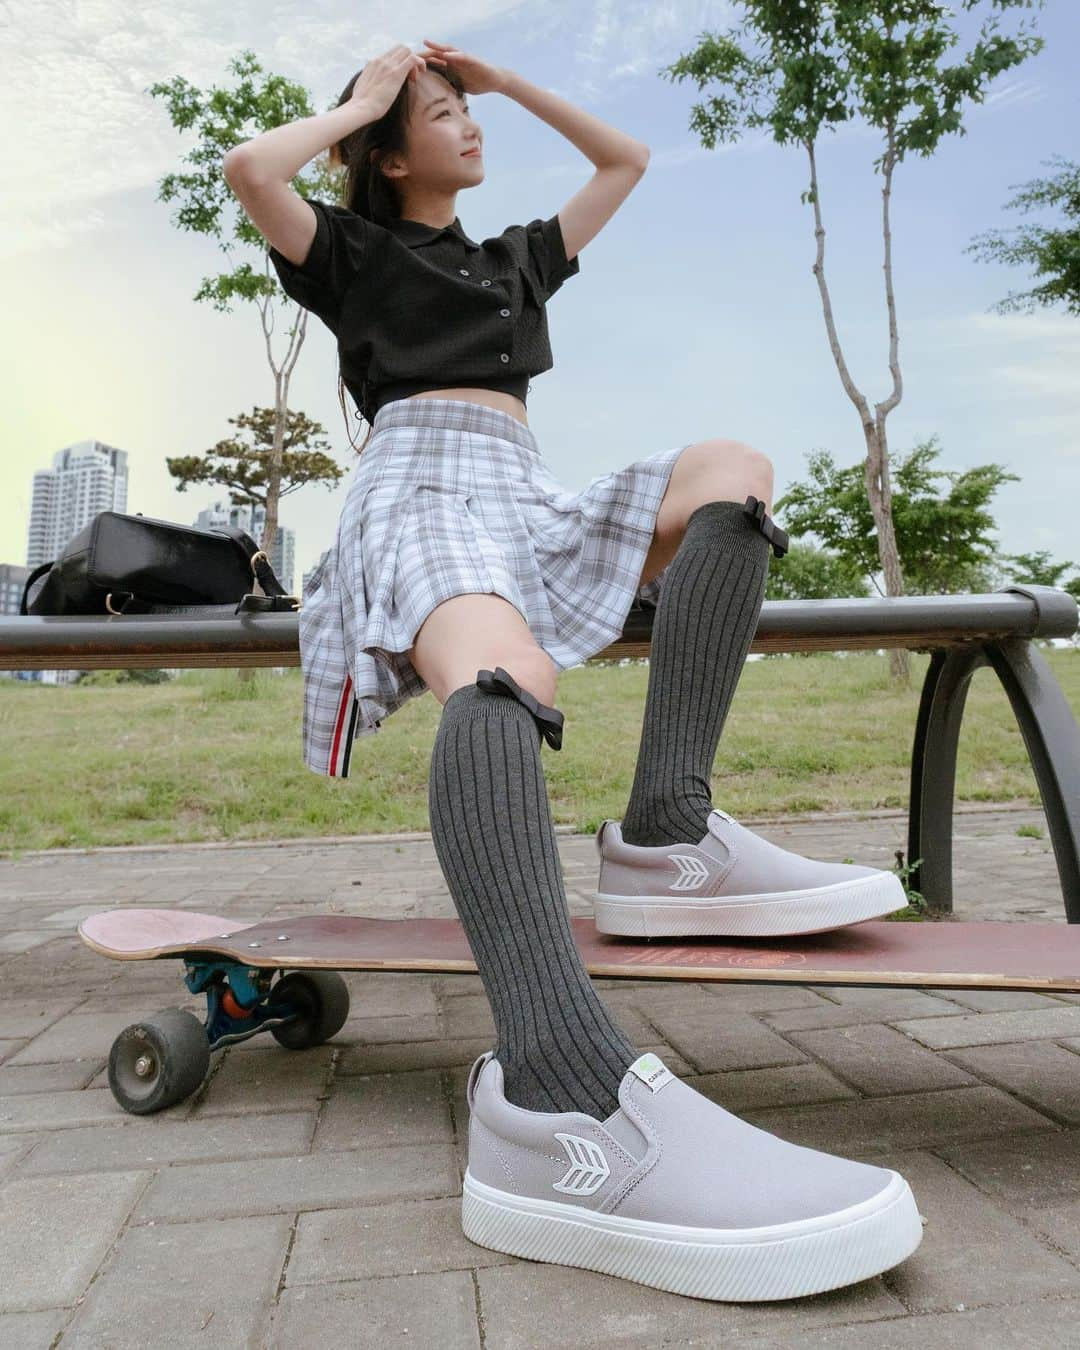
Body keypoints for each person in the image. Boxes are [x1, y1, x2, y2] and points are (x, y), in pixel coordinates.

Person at [223, 39, 923, 1302]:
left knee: (733, 469)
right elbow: (246, 169)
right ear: (388, 149)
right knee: (502, 678)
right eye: (440, 118)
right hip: (421, 481)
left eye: (459, 111)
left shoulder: (511, 261)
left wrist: (496, 82)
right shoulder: (352, 251)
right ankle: (555, 1092)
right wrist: (368, 98)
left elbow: (628, 157)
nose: (466, 128)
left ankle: (667, 830)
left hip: (524, 486)